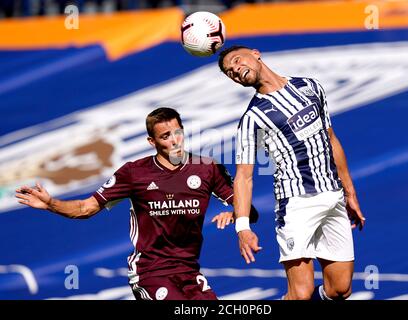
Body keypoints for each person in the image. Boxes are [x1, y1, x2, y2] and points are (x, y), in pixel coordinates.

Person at [15, 107, 258, 300]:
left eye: (178, 132)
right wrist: (50, 204)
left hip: (189, 270)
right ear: (151, 141)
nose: (174, 141)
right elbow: (85, 208)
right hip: (150, 272)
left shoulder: (207, 169)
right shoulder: (134, 173)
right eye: (165, 136)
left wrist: (235, 213)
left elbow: (250, 211)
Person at [218, 45, 365, 300]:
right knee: (301, 294)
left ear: (256, 53)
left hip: (333, 196)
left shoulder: (310, 86)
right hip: (296, 204)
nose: (236, 70)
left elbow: (331, 139)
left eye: (237, 61)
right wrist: (242, 227)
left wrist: (349, 192)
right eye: (230, 72)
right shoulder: (253, 118)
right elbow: (244, 175)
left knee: (340, 289)